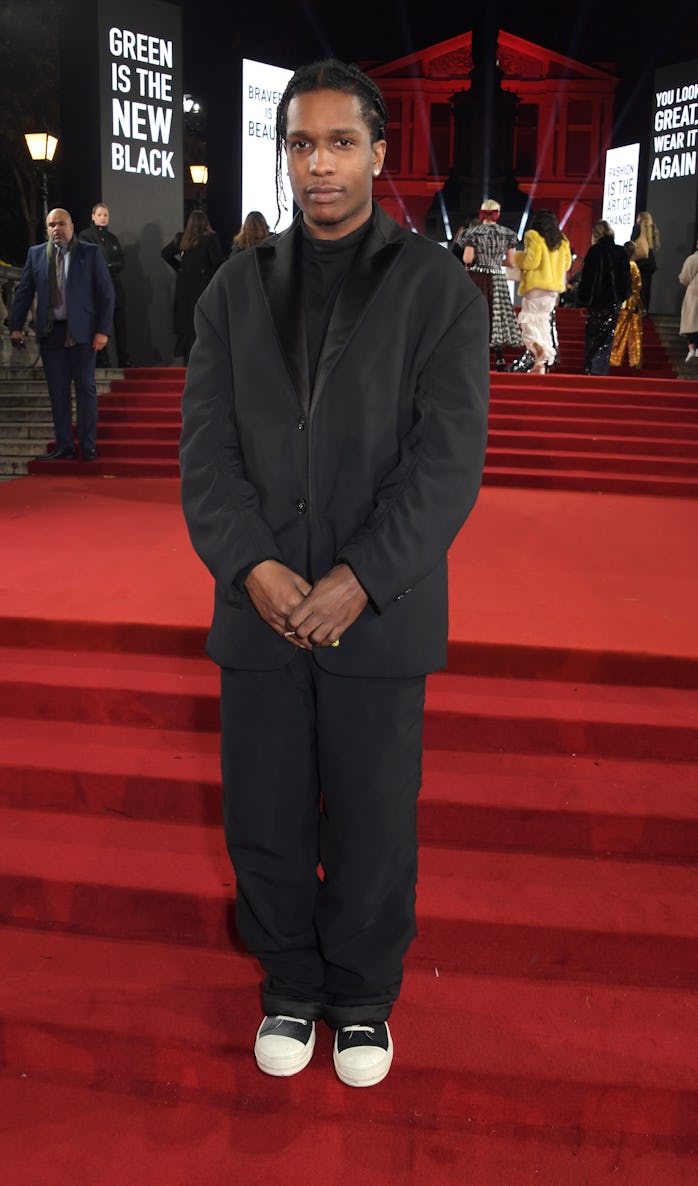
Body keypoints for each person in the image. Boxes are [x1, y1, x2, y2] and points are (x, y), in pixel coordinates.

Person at [179, 58, 489, 1089]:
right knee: (262, 815)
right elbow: (204, 455)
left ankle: (359, 996)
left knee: (369, 816)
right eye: (301, 144)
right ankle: (288, 986)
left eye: (340, 142)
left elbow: (446, 461)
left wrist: (360, 576)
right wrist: (251, 565)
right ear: (286, 153)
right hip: (257, 611)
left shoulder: (436, 286)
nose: (319, 166)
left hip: (379, 612)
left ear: (378, 152)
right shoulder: (233, 286)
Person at [9, 207, 114, 461]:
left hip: (83, 334)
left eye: (61, 224)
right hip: (51, 333)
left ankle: (88, 446)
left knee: (85, 390)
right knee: (58, 392)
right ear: (47, 229)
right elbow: (23, 293)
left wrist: (102, 331)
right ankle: (65, 446)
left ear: (71, 226)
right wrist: (15, 326)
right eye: (51, 225)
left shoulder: (89, 253)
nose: (56, 229)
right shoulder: (36, 255)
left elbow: (106, 294)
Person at [454, 199, 522, 370]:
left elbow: (467, 259)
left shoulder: (473, 233)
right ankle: (499, 357)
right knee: (496, 316)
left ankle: (471, 354)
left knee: (476, 314)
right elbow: (511, 261)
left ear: (482, 213)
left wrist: (480, 256)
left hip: (478, 276)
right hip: (497, 277)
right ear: (497, 213)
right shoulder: (507, 234)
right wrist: (496, 260)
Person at [508, 209, 571, 373]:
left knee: (528, 322)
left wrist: (516, 257)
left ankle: (538, 351)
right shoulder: (562, 240)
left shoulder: (533, 235)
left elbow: (531, 262)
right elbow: (567, 265)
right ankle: (541, 362)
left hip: (536, 286)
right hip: (553, 290)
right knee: (543, 323)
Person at [161, 209, 223, 363]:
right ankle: (199, 362)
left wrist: (181, 269)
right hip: (202, 287)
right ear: (205, 223)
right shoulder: (210, 239)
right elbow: (217, 261)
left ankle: (186, 360)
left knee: (186, 324)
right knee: (200, 323)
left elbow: (165, 253)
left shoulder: (182, 238)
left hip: (183, 287)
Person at [576, 220, 631, 375]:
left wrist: (583, 302)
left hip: (596, 303)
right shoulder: (620, 252)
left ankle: (590, 368)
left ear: (596, 234)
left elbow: (587, 280)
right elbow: (626, 280)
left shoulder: (594, 252)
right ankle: (600, 370)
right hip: (614, 302)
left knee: (593, 335)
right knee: (607, 337)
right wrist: (622, 297)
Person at [79, 202, 130, 367]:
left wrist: (109, 267)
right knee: (99, 323)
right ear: (93, 217)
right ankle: (102, 360)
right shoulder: (85, 236)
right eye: (100, 215)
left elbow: (121, 261)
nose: (103, 218)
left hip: (115, 285)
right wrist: (105, 267)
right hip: (96, 288)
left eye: (106, 215)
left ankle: (124, 359)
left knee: (120, 324)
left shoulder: (112, 238)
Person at [610, 241, 643, 369]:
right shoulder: (633, 266)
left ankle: (614, 357)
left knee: (618, 331)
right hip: (630, 304)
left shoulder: (618, 265)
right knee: (633, 332)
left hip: (620, 302)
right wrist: (636, 303)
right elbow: (636, 287)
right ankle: (633, 360)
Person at [630, 210, 660, 315]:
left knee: (636, 285)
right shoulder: (653, 228)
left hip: (641, 261)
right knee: (647, 287)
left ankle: (636, 308)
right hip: (650, 263)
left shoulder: (638, 227)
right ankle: (645, 309)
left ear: (640, 218)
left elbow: (632, 241)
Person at [678, 238, 698, 363]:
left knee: (691, 321)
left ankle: (692, 349)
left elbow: (684, 278)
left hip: (694, 293)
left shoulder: (693, 259)